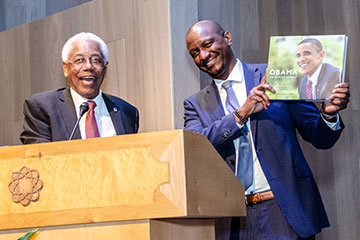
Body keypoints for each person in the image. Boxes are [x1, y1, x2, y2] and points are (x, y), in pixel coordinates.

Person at [184, 20, 350, 240]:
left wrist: (328, 113)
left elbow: (321, 138)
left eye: (207, 44)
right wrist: (241, 114)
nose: (203, 56)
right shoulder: (194, 104)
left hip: (283, 211)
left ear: (228, 38)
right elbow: (195, 149)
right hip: (233, 220)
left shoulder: (275, 76)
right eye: (195, 52)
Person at [20, 32, 139, 144]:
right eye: (79, 60)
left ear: (105, 68)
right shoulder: (42, 107)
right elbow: (39, 159)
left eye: (96, 60)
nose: (88, 66)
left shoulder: (127, 112)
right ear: (65, 68)